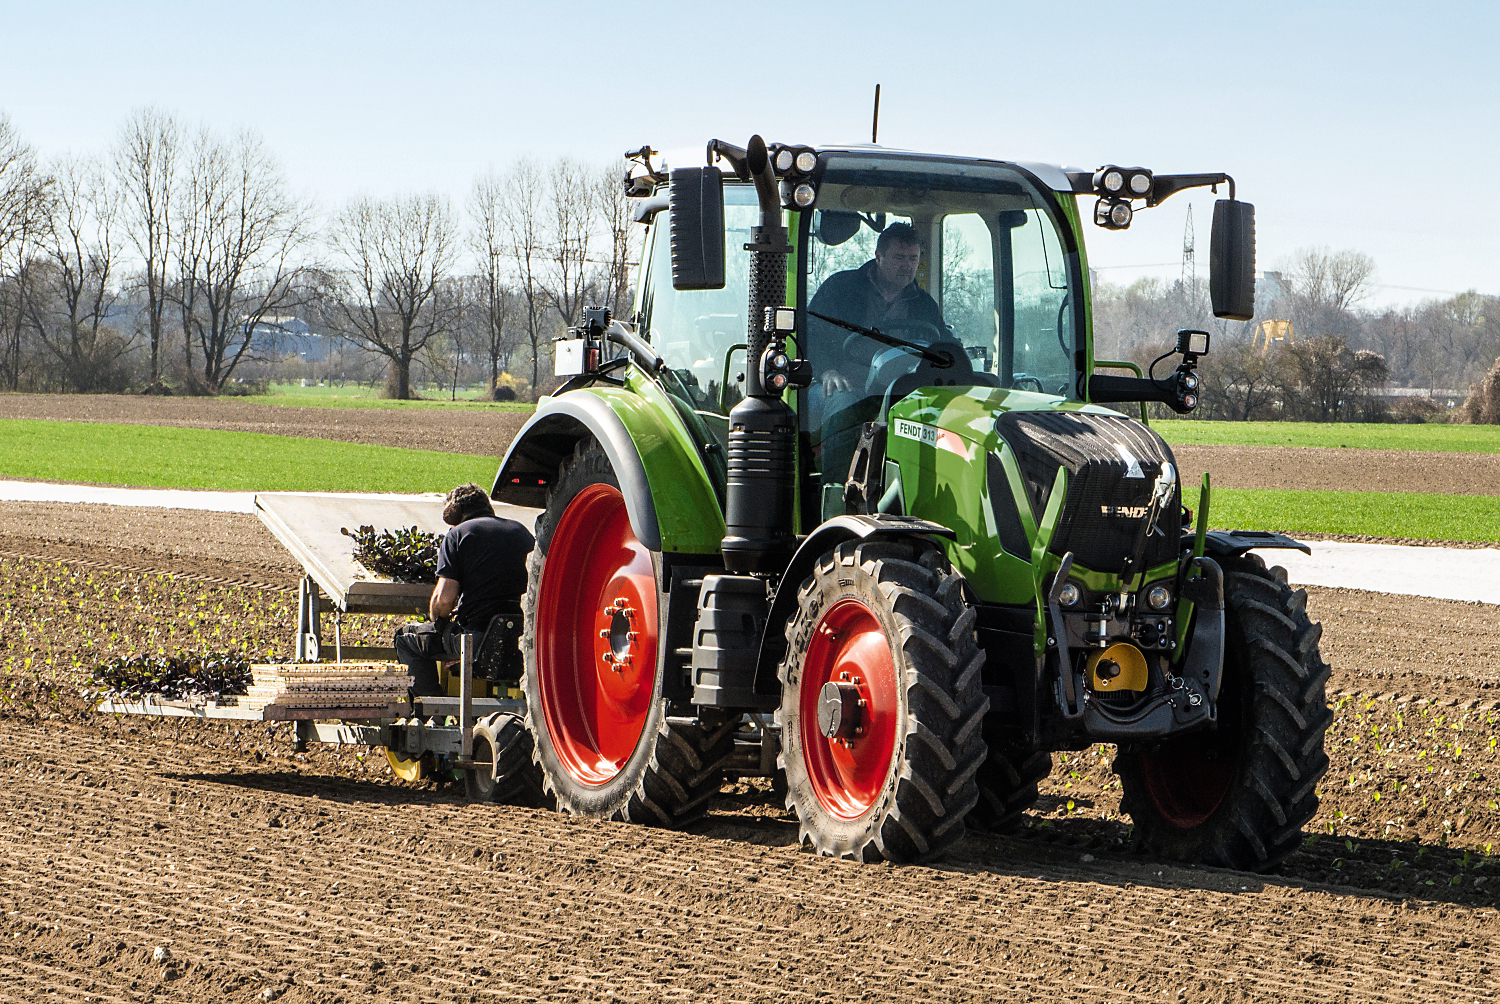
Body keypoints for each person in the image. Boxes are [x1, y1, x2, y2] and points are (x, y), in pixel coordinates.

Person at [805, 222, 947, 492]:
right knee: (845, 403)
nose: (907, 266)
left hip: (898, 392)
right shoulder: (841, 288)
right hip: (836, 384)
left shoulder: (923, 304)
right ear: (878, 256)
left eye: (913, 259)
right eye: (899, 258)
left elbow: (944, 345)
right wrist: (827, 370)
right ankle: (835, 495)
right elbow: (810, 333)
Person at [394, 483, 535, 697]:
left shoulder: (457, 535)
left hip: (476, 641)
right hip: (521, 641)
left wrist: (438, 623)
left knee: (405, 640)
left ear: (455, 513)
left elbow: (444, 599)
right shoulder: (521, 532)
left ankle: (432, 715)